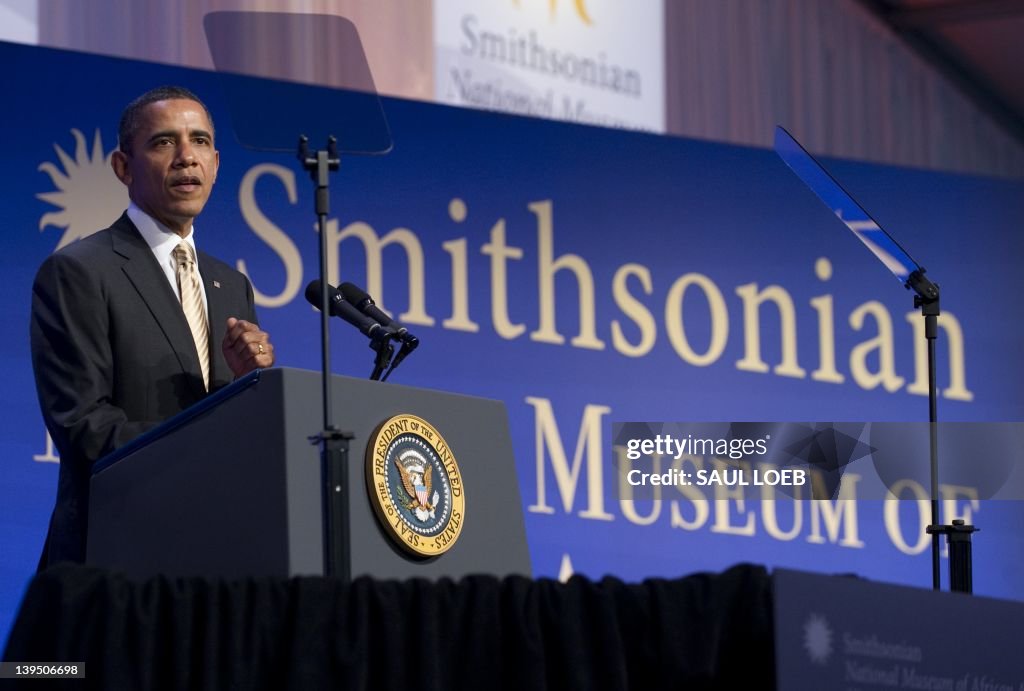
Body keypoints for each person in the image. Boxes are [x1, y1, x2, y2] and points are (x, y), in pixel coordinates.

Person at [30, 85, 275, 567]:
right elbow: (85, 428)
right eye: (164, 142)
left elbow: (238, 430)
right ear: (123, 167)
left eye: (200, 141)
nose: (187, 158)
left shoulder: (231, 285)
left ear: (217, 163)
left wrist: (253, 386)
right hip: (114, 557)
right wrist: (204, 451)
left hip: (213, 560)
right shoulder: (81, 272)